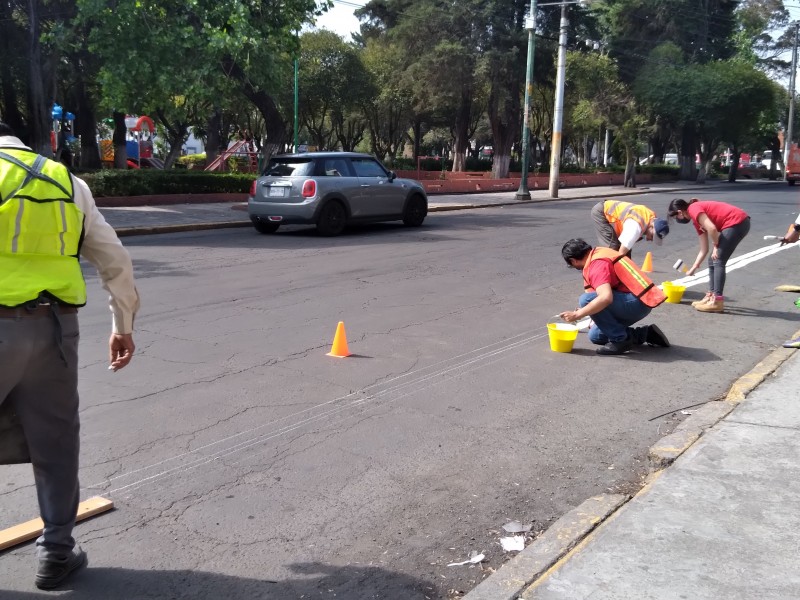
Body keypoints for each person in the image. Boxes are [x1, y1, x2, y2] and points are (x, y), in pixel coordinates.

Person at [0, 122, 140, 589]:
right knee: (56, 443)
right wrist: (122, 325)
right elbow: (114, 258)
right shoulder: (67, 181)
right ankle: (56, 553)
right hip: (55, 332)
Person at [559, 238, 669, 355]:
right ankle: (646, 334)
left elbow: (606, 297)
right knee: (596, 336)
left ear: (573, 261)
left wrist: (577, 315)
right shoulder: (598, 253)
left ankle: (621, 340)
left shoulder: (597, 265)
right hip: (638, 300)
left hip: (637, 303)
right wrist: (586, 310)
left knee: (585, 300)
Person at [667, 198, 750, 313]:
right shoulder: (696, 221)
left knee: (718, 259)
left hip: (737, 222)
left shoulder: (693, 208)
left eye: (676, 217)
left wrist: (716, 246)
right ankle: (711, 296)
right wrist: (694, 267)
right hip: (737, 223)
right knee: (712, 260)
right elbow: (704, 249)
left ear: (680, 212)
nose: (678, 220)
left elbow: (712, 229)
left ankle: (717, 301)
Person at [591, 199, 670, 257]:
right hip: (601, 212)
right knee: (613, 249)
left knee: (626, 253)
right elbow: (620, 254)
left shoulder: (651, 219)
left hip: (611, 213)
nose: (650, 239)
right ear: (652, 226)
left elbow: (626, 247)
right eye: (652, 236)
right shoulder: (635, 226)